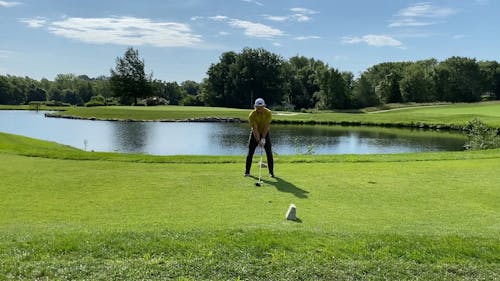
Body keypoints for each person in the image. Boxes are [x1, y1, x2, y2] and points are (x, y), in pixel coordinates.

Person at [245, 98, 274, 177]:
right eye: (258, 107)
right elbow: (255, 129)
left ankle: (271, 173)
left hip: (265, 133)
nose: (259, 109)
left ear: (264, 106)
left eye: (261, 107)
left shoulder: (268, 113)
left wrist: (263, 139)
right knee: (250, 152)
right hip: (255, 134)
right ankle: (247, 172)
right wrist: (258, 141)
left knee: (269, 153)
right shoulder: (252, 115)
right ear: (255, 106)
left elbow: (266, 127)